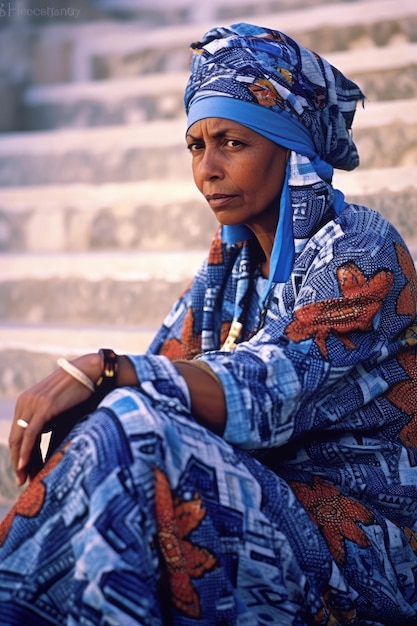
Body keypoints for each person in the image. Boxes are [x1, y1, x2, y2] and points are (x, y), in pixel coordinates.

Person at [0, 22, 416, 626]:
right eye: (196, 146)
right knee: (110, 427)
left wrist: (104, 369)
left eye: (232, 143)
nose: (208, 169)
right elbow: (163, 374)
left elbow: (270, 387)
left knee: (134, 430)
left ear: (290, 145)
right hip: (261, 506)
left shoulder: (361, 251)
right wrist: (86, 402)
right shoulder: (230, 269)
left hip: (363, 552)